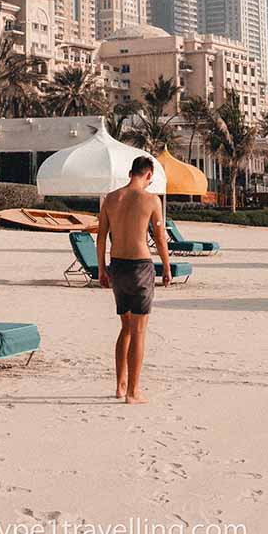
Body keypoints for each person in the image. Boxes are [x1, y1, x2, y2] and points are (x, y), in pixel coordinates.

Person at [96, 154, 172, 404]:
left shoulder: (110, 199)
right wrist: (167, 267)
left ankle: (120, 386)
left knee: (126, 328)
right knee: (139, 330)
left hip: (117, 266)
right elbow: (160, 238)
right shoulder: (151, 200)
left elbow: (101, 237)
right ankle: (133, 392)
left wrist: (101, 269)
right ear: (148, 175)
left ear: (131, 173)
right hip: (140, 267)